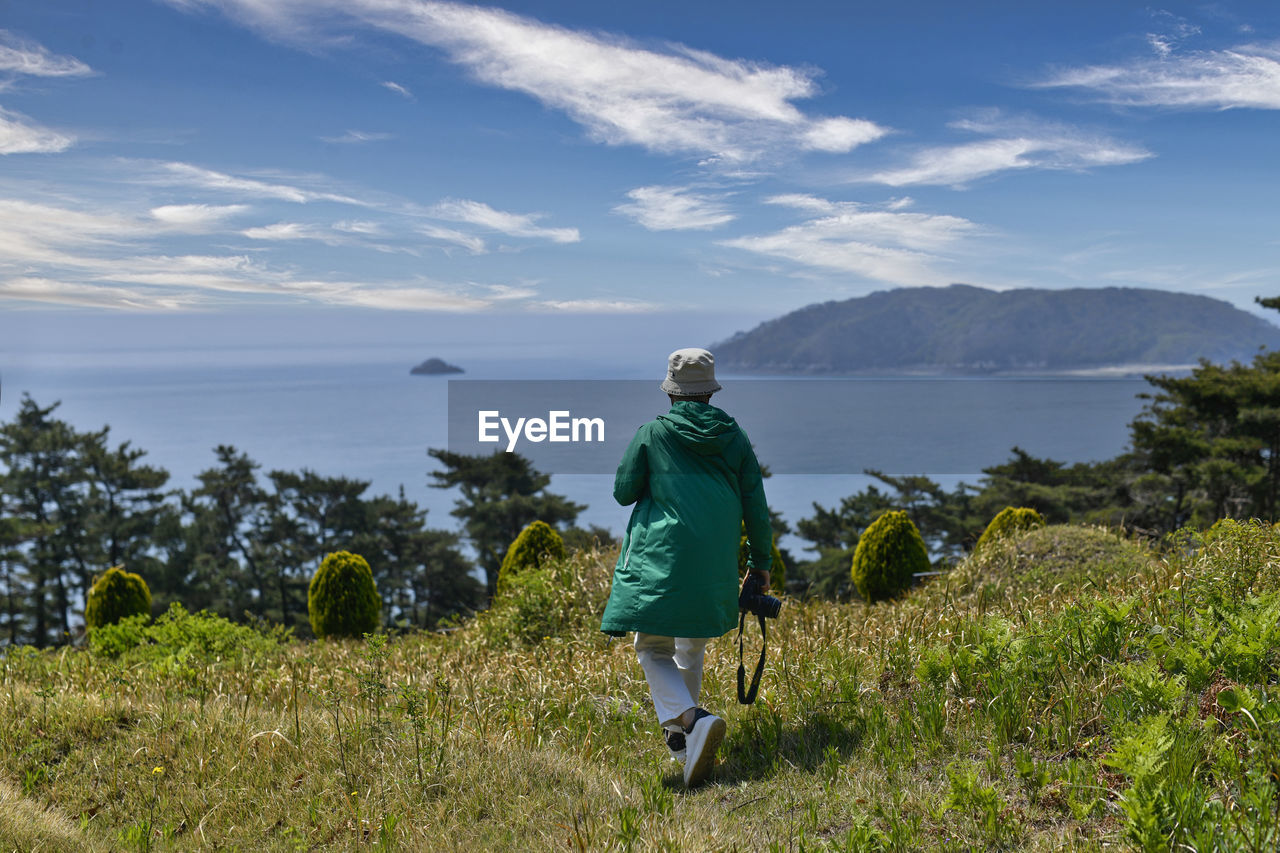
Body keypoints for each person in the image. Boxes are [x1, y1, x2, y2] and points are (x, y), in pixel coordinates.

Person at [601, 347, 773, 787]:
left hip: (662, 557)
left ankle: (693, 719)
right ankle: (686, 743)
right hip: (714, 561)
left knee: (651, 647)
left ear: (672, 392)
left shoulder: (653, 434)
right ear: (710, 392)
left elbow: (623, 491)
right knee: (690, 647)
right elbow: (755, 501)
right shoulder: (734, 436)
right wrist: (760, 563)